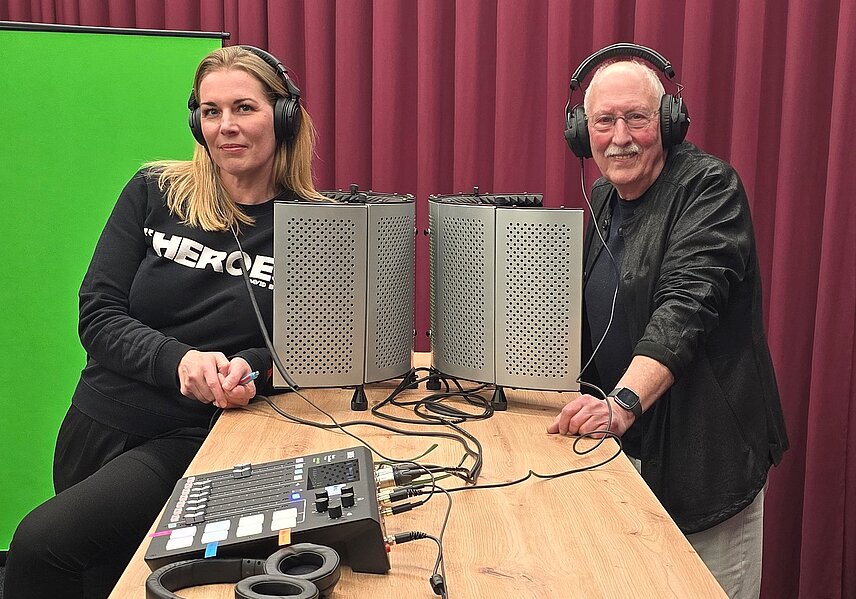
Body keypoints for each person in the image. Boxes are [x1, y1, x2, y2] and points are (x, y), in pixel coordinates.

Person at [4, 45, 327, 598]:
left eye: (244, 108)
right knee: (98, 578)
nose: (225, 126)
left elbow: (316, 349)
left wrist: (249, 368)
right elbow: (98, 313)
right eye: (210, 111)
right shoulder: (154, 191)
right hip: (97, 423)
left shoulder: (316, 226)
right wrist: (178, 360)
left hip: (189, 436)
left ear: (284, 116)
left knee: (41, 544)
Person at [548, 55, 789, 599]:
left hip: (706, 466)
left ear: (670, 121)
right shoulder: (605, 197)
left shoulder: (709, 188)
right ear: (581, 132)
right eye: (604, 121)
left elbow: (685, 309)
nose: (620, 138)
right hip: (624, 456)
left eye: (636, 118)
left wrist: (622, 404)